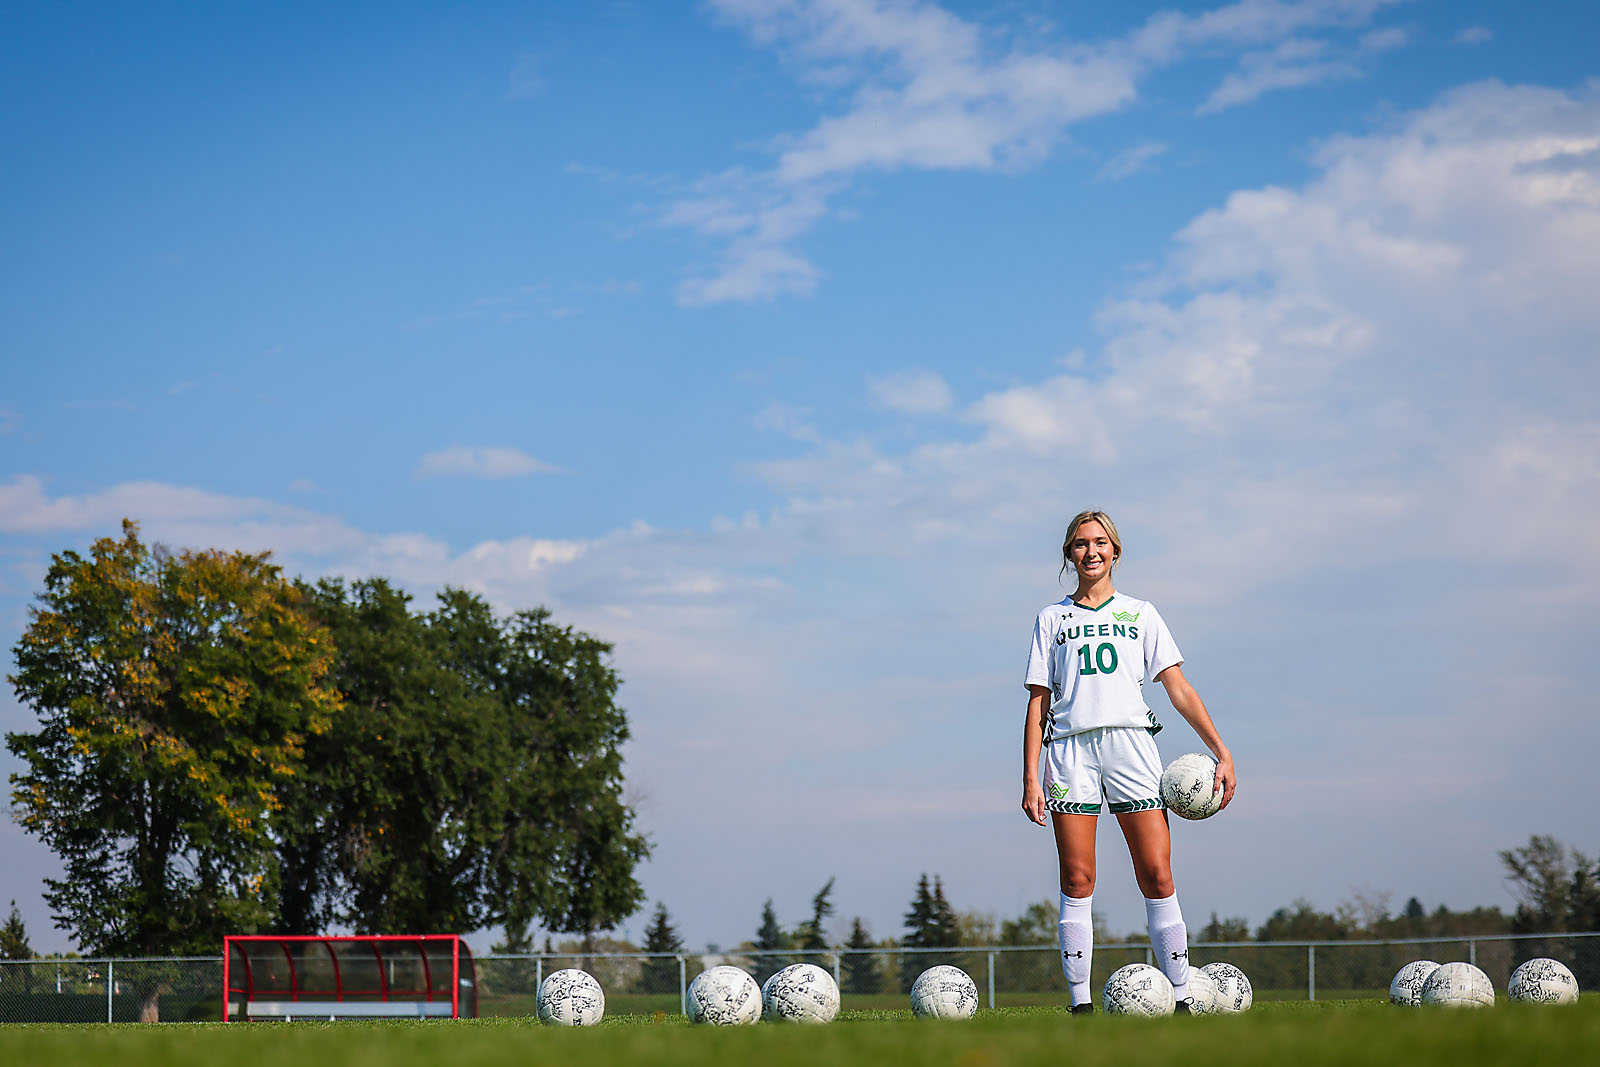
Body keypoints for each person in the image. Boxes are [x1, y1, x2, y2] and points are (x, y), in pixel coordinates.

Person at [1021, 510, 1235, 1014]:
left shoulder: (1141, 613)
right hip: (1070, 751)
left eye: (1100, 543)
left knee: (1157, 874)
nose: (1090, 552)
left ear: (1115, 551)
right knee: (1077, 879)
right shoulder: (1051, 619)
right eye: (1079, 544)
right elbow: (1037, 702)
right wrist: (1031, 777)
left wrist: (1220, 751)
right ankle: (1080, 1009)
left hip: (1131, 746)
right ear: (1068, 555)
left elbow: (1177, 688)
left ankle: (1182, 999)